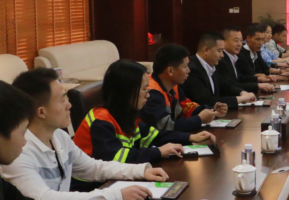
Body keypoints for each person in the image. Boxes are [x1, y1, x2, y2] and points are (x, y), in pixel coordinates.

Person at [0, 69, 170, 200]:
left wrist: (140, 171)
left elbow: (92, 168)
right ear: (41, 112)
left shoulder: (59, 136)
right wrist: (115, 196)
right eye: (62, 100)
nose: (69, 105)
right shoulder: (17, 151)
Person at [74, 60, 215, 163]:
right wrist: (158, 152)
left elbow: (154, 135)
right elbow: (115, 158)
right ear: (126, 92)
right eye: (144, 89)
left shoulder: (125, 113)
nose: (148, 94)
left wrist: (190, 138)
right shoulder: (101, 120)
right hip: (91, 187)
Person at [140, 44, 226, 132]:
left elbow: (186, 107)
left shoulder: (174, 87)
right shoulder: (151, 93)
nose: (188, 70)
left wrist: (212, 109)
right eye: (185, 66)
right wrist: (199, 119)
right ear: (170, 70)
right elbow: (166, 126)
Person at [181, 32, 257, 110]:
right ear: (206, 50)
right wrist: (240, 99)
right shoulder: (191, 70)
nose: (222, 55)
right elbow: (206, 101)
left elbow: (225, 85)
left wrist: (242, 92)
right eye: (219, 51)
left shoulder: (213, 65)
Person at [217, 26, 275, 94]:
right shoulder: (221, 60)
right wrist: (257, 86)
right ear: (224, 42)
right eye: (236, 40)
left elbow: (239, 78)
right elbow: (230, 85)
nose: (239, 44)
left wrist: (258, 78)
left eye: (241, 40)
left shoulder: (232, 57)